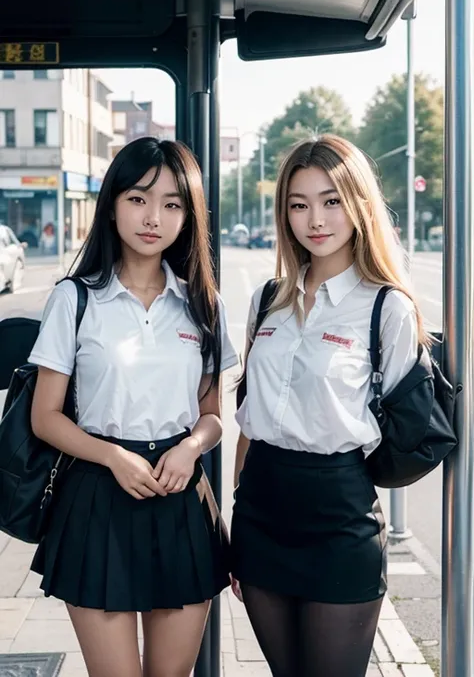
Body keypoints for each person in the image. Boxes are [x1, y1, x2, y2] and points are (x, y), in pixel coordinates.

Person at [28, 137, 238, 677]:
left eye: (172, 204)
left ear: (188, 218)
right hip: (97, 496)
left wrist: (192, 446)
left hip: (180, 497)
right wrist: (113, 457)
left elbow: (213, 414)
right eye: (139, 198)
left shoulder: (202, 303)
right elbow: (45, 416)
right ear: (113, 203)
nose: (154, 217)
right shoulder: (75, 298)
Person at [231, 134, 426, 677]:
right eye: (299, 203)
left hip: (340, 513)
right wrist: (239, 504)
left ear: (359, 204)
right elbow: (251, 413)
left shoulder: (387, 306)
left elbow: (406, 428)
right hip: (261, 511)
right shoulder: (266, 299)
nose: (315, 218)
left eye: (331, 200)